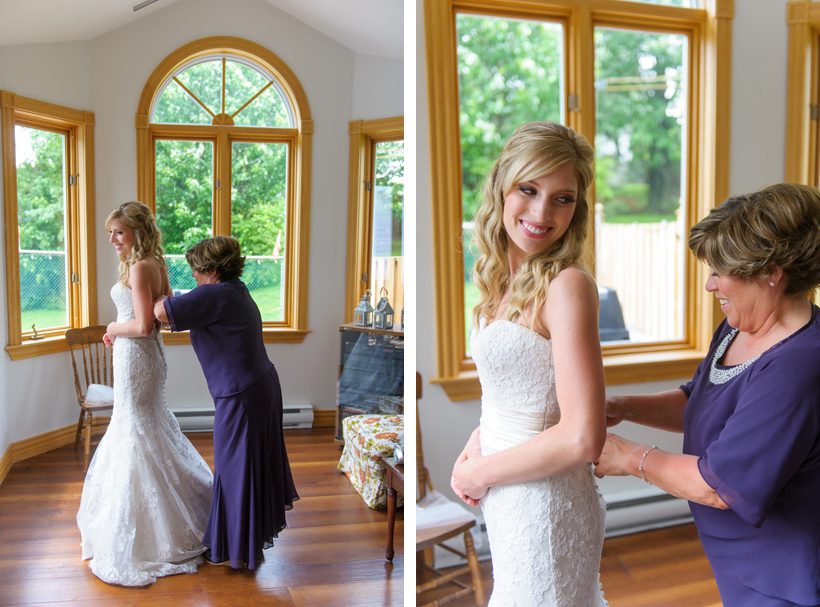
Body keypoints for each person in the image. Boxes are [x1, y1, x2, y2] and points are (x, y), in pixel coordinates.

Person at [594, 183, 820, 607]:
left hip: (786, 576)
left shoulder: (799, 366)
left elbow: (720, 485)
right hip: (739, 561)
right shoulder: (740, 326)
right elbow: (700, 401)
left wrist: (629, 457)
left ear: (771, 272)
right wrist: (620, 408)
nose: (709, 285)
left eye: (720, 271)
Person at [450, 121, 608, 606]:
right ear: (502, 185)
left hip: (546, 502)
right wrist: (475, 447)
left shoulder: (567, 286)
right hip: (510, 494)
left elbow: (583, 436)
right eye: (529, 189)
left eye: (563, 198)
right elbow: (510, 394)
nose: (542, 212)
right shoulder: (505, 280)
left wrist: (481, 473)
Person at [76, 201, 213, 586]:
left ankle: (151, 534)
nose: (112, 240)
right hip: (141, 359)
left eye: (119, 232)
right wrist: (118, 331)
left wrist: (111, 327)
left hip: (137, 357)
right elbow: (155, 316)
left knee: (136, 428)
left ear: (137, 230)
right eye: (110, 233)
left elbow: (141, 325)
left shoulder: (139, 267)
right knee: (144, 426)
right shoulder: (155, 262)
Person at [153, 235, 298, 570]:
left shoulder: (214, 294)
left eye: (197, 271)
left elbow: (161, 312)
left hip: (241, 394)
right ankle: (241, 541)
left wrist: (159, 289)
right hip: (258, 386)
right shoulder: (236, 290)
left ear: (213, 271)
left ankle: (234, 546)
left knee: (235, 470)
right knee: (247, 467)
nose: (193, 276)